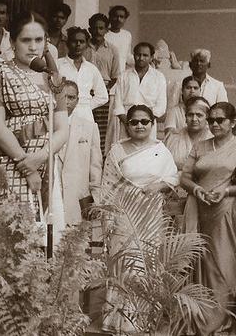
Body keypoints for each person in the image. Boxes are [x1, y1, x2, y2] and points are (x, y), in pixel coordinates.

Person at [0, 10, 68, 239]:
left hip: (46, 165)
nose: (33, 46)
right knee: (13, 240)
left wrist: (42, 156)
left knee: (46, 239)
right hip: (8, 165)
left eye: (38, 40)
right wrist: (26, 163)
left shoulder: (52, 77)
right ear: (13, 42)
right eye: (26, 40)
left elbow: (63, 128)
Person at [101, 104, 179, 334]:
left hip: (151, 213)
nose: (139, 126)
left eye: (145, 121)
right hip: (125, 212)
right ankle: (119, 319)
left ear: (152, 124)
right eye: (134, 122)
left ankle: (144, 316)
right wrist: (109, 217)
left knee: (147, 259)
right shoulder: (117, 150)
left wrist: (159, 185)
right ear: (126, 125)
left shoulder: (161, 149)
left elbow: (174, 177)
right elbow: (108, 184)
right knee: (125, 258)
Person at [180, 102, 236, 335]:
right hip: (198, 211)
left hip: (226, 212)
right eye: (211, 120)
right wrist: (196, 190)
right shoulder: (200, 145)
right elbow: (184, 177)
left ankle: (221, 319)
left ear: (233, 122)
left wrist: (226, 192)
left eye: (219, 120)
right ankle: (199, 316)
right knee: (198, 262)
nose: (214, 124)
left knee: (223, 265)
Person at [108, 42, 167, 152]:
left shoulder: (158, 77)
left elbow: (161, 106)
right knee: (126, 153)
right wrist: (128, 122)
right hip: (126, 122)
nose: (141, 58)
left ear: (151, 57)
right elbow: (118, 103)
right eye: (138, 55)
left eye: (145, 55)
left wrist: (145, 121)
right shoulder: (124, 75)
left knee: (147, 153)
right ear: (133, 55)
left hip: (148, 123)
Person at [58, 80, 102, 224]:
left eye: (71, 97)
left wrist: (95, 199)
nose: (67, 102)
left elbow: (95, 167)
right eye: (62, 96)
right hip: (52, 199)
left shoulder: (89, 128)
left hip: (77, 201)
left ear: (77, 100)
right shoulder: (43, 126)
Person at [85, 13, 121, 154]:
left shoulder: (112, 50)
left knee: (100, 129)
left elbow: (115, 76)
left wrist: (103, 90)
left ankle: (98, 159)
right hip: (85, 92)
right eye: (95, 28)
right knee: (85, 125)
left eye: (101, 28)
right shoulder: (83, 47)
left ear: (106, 30)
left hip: (103, 94)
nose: (98, 31)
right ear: (90, 29)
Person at [57, 26, 108, 122]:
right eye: (74, 41)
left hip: (85, 116)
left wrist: (86, 106)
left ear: (87, 44)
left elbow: (103, 96)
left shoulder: (91, 69)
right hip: (63, 114)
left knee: (85, 137)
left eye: (82, 41)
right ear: (68, 43)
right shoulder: (58, 65)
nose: (78, 44)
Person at [164, 96, 212, 171]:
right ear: (185, 117)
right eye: (190, 115)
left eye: (199, 115)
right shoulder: (173, 137)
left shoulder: (213, 138)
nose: (194, 119)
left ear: (207, 118)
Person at [105, 5, 133, 72]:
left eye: (122, 17)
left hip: (121, 74)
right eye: (115, 16)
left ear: (125, 19)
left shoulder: (127, 35)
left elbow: (127, 57)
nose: (118, 19)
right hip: (106, 74)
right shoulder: (104, 34)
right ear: (110, 17)